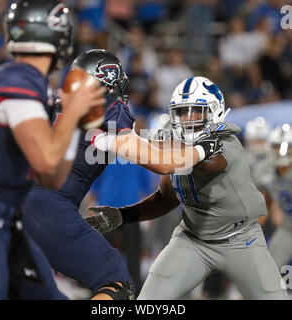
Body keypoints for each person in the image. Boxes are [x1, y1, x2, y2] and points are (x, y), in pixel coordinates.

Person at [22, 61, 223, 299]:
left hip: (10, 205)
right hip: (48, 208)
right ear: (107, 84)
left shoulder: (54, 107)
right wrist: (201, 150)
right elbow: (161, 164)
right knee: (118, 284)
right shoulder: (109, 109)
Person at [87, 76, 290, 300]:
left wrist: (117, 142)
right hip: (193, 239)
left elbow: (177, 163)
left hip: (241, 239)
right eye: (183, 112)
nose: (189, 118)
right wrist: (123, 215)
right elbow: (165, 199)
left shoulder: (224, 142)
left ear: (214, 112)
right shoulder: (178, 144)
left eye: (197, 111)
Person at [0, 0, 106, 300]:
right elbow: (44, 160)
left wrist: (75, 124)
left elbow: (51, 177)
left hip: (8, 223)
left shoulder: (30, 83)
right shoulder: (17, 79)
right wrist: (74, 110)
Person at [266, 125, 292, 272]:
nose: (282, 151)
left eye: (287, 146)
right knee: (271, 268)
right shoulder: (264, 169)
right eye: (277, 146)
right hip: (287, 226)